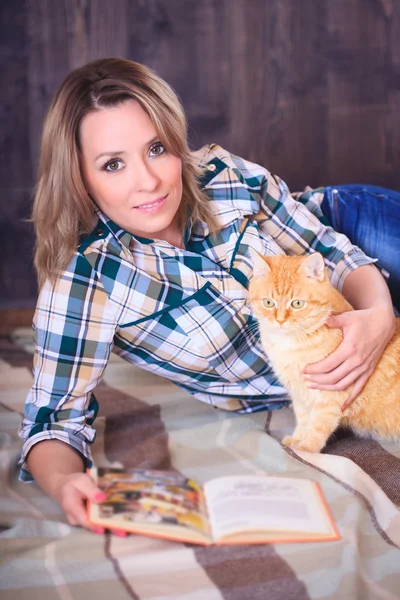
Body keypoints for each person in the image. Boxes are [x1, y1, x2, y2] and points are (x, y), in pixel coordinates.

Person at [19, 57, 399, 532]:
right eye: (113, 164)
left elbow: (332, 252)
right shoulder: (85, 281)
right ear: (79, 177)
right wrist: (62, 484)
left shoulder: (222, 175)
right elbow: (54, 419)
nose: (149, 180)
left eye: (157, 148)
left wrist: (380, 313)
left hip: (358, 235)